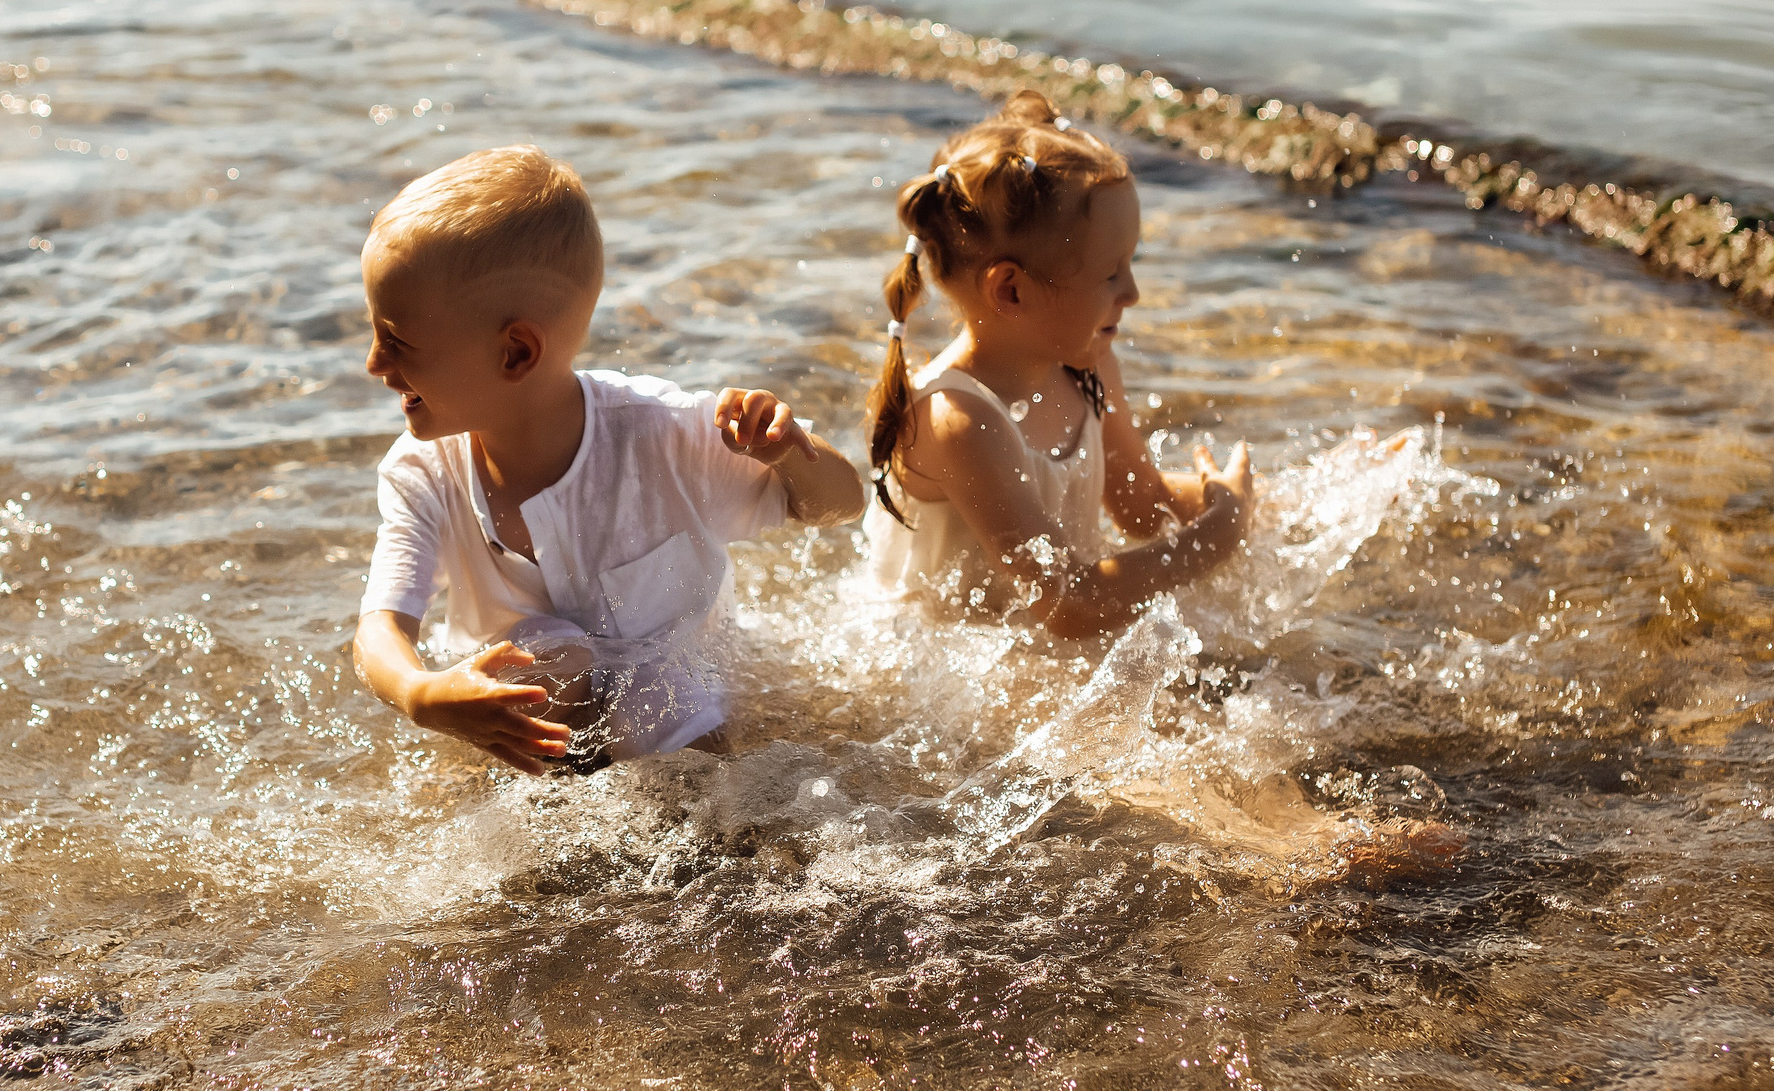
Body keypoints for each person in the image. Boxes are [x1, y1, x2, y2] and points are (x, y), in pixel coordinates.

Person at [353, 144, 867, 773]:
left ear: (516, 353)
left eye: (396, 340)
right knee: (545, 655)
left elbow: (841, 504)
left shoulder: (665, 435)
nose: (373, 364)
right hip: (535, 711)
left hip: (684, 702)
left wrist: (788, 453)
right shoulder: (423, 473)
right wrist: (422, 693)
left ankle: (703, 822)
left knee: (660, 691)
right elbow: (380, 630)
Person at [864, 89, 1254, 629]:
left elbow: (1141, 503)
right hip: (934, 655)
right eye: (1111, 273)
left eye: (1131, 264)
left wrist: (1250, 503)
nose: (1133, 293)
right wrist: (1216, 537)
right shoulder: (957, 419)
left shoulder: (1087, 366)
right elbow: (1066, 605)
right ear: (1011, 291)